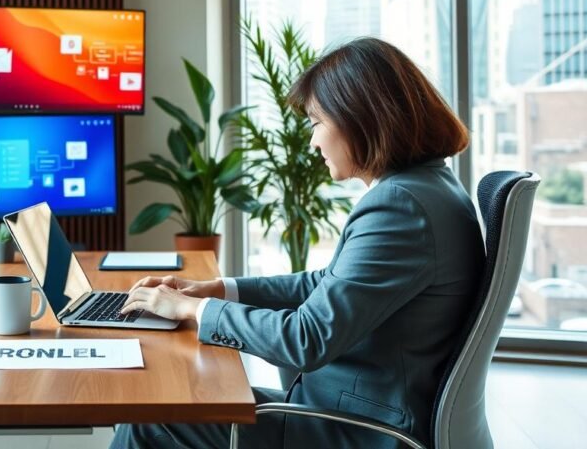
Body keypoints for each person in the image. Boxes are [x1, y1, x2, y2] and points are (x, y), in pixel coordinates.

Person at [113, 37, 485, 449]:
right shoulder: (428, 187)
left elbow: (307, 340)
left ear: (361, 117)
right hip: (349, 410)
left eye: (316, 123)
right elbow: (327, 283)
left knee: (151, 418)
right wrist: (220, 290)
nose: (313, 142)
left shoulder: (400, 206)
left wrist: (195, 309)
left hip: (352, 430)